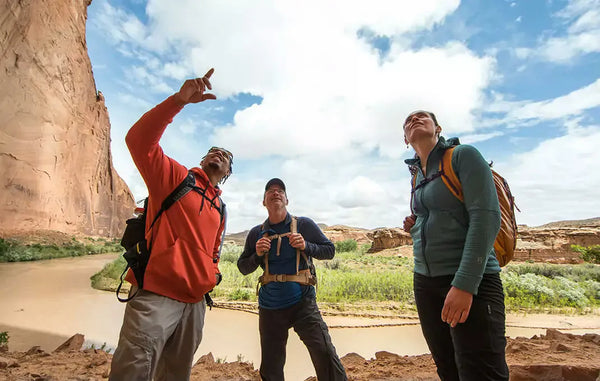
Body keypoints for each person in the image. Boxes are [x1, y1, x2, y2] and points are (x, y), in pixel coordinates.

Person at [109, 68, 233, 381]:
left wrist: (211, 275)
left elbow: (214, 252)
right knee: (132, 374)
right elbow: (138, 141)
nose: (217, 153)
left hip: (194, 305)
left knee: (176, 375)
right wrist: (177, 101)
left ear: (227, 174)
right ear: (204, 160)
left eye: (225, 156)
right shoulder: (176, 178)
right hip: (155, 296)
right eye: (212, 151)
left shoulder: (220, 207)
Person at [402, 110, 509, 381]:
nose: (415, 118)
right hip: (426, 282)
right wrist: (416, 225)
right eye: (408, 120)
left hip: (471, 281)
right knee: (447, 368)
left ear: (438, 128)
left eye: (422, 116)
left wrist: (464, 284)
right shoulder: (417, 175)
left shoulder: (464, 156)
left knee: (482, 371)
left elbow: (486, 218)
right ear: (405, 139)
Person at [237, 178, 347, 381]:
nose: (275, 193)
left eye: (280, 191)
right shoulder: (256, 233)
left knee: (324, 352)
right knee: (271, 366)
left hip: (302, 303)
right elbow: (243, 267)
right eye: (270, 191)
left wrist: (306, 245)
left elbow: (329, 251)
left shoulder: (303, 225)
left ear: (287, 199)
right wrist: (258, 254)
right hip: (270, 306)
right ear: (264, 202)